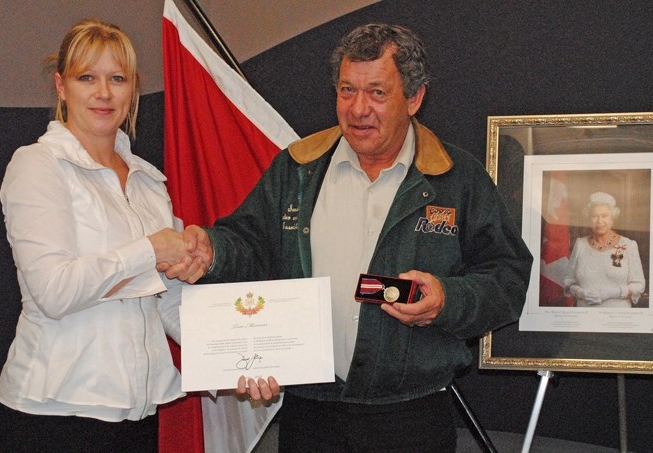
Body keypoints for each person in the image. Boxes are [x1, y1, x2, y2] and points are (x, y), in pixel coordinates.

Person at [165, 23, 532, 452]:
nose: (358, 109)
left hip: (412, 418)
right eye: (346, 90)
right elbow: (249, 245)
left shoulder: (457, 178)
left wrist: (447, 300)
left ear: (414, 98)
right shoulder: (297, 168)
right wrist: (213, 251)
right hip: (309, 417)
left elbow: (508, 278)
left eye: (377, 93)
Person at [0, 19, 193, 452]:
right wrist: (149, 251)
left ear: (132, 89)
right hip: (53, 419)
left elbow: (166, 300)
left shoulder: (148, 183)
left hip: (136, 417)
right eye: (88, 77)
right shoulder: (36, 166)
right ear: (61, 86)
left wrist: (238, 354)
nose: (104, 93)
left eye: (117, 79)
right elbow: (55, 291)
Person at [564, 191, 646, 308]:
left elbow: (639, 285)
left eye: (604, 216)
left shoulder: (628, 245)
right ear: (589, 220)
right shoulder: (580, 244)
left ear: (612, 218)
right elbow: (568, 281)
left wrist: (610, 293)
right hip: (585, 317)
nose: (599, 221)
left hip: (617, 318)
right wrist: (581, 293)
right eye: (594, 216)